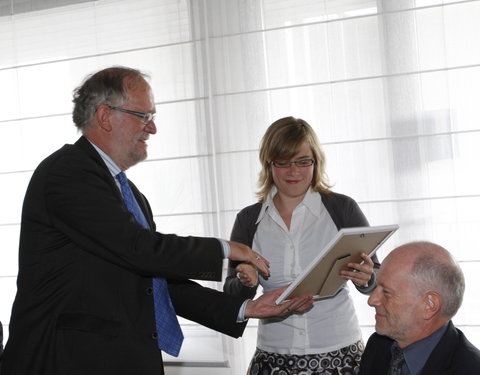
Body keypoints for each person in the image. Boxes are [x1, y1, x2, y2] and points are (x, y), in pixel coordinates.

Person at [1, 67, 313, 375]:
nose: (152, 129)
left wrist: (245, 308)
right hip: (65, 361)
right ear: (105, 116)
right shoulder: (67, 173)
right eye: (145, 116)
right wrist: (228, 249)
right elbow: (140, 249)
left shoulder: (130, 194)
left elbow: (154, 280)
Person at [223, 116, 379, 374]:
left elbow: (375, 278)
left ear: (316, 162)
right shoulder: (249, 220)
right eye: (283, 163)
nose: (293, 172)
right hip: (273, 357)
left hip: (339, 353)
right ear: (268, 164)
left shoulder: (342, 209)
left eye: (303, 161)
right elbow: (232, 294)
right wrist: (245, 281)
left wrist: (367, 278)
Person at [359, 241, 480, 374]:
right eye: (377, 287)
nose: (372, 300)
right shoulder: (379, 345)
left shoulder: (470, 369)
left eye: (386, 292)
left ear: (429, 305)